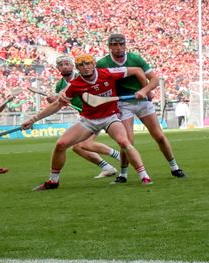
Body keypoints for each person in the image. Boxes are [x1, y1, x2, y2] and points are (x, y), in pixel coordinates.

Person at [25, 55, 153, 190]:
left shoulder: (108, 73)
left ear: (94, 64)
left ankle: (144, 175)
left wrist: (145, 89)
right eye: (81, 65)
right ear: (78, 68)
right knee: (61, 144)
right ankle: (53, 181)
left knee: (124, 142)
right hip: (89, 120)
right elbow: (57, 105)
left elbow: (137, 70)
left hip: (110, 117)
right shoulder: (75, 84)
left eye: (88, 64)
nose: (85, 68)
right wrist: (33, 119)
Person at [97, 34, 185, 182]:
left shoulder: (135, 58)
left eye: (121, 44)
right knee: (127, 141)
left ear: (125, 45)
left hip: (142, 101)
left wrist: (144, 91)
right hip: (123, 104)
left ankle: (175, 167)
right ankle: (123, 174)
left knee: (159, 136)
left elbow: (154, 79)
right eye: (115, 45)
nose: (118, 48)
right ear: (109, 47)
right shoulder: (102, 63)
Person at [52, 54, 122, 179]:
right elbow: (60, 102)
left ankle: (119, 156)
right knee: (77, 148)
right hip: (86, 117)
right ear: (57, 68)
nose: (64, 67)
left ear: (73, 66)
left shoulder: (83, 76)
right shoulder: (60, 85)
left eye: (67, 64)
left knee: (84, 145)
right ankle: (107, 167)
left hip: (99, 114)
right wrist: (54, 100)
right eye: (61, 65)